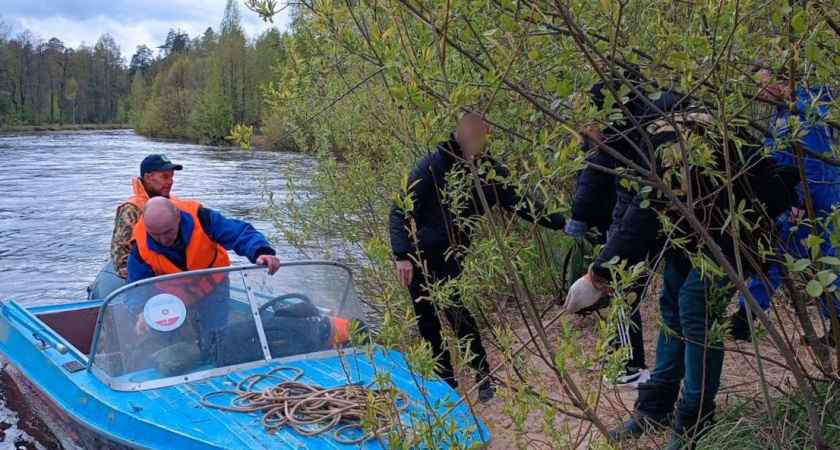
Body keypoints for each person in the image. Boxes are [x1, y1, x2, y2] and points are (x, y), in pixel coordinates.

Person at [563, 87, 799, 449]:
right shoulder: (631, 141)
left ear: (609, 117)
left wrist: (598, 274)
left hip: (731, 227)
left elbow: (641, 217)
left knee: (695, 306)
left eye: (587, 123)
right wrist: (603, 266)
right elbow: (628, 204)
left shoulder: (664, 135)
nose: (583, 133)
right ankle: (656, 407)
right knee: (671, 304)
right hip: (689, 231)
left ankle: (695, 422)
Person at [389, 112, 566, 403]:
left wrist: (561, 223)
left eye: (479, 135)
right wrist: (401, 255)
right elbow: (399, 209)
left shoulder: (489, 172)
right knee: (427, 322)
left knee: (458, 315)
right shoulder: (432, 164)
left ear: (486, 137)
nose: (473, 140)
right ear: (458, 135)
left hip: (452, 255)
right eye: (468, 134)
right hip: (418, 256)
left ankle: (483, 376)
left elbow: (521, 203)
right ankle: (445, 381)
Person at [730, 70, 839, 343]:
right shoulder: (787, 112)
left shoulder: (801, 113)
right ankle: (745, 317)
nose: (758, 92)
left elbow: (812, 164)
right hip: (797, 199)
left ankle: (747, 317)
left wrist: (802, 200)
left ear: (784, 82)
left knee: (815, 259)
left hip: (812, 204)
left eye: (762, 84)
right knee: (776, 254)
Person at [564, 74, 653, 389]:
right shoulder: (624, 139)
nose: (588, 131)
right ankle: (626, 365)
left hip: (622, 227)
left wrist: (579, 218)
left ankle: (625, 365)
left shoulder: (624, 142)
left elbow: (604, 186)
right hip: (620, 226)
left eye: (590, 121)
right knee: (623, 292)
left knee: (623, 292)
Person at [126, 197, 281, 347]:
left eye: (168, 232)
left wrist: (261, 251)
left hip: (214, 288)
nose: (163, 239)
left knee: (216, 337)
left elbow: (238, 233)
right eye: (155, 235)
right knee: (174, 345)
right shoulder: (139, 248)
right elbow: (136, 285)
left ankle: (214, 355)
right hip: (172, 299)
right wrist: (140, 311)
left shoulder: (202, 218)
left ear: (177, 218)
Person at [111, 154, 183, 279]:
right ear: (148, 178)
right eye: (165, 177)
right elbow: (121, 261)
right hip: (147, 278)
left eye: (171, 177)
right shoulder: (131, 209)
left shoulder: (175, 203)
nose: (170, 182)